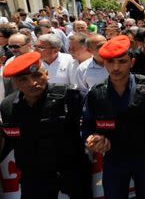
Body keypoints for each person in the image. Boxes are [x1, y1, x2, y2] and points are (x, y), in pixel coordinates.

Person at [0, 52, 92, 198]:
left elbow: (90, 125)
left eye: (37, 75)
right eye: (23, 79)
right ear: (15, 83)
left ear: (47, 74)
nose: (32, 83)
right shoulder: (8, 105)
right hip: (34, 176)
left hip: (71, 171)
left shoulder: (70, 96)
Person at [83, 35, 145, 199]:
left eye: (122, 61)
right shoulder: (95, 93)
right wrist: (93, 139)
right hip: (113, 158)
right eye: (110, 62)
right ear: (104, 63)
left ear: (132, 63)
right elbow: (87, 126)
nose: (116, 67)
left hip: (144, 157)